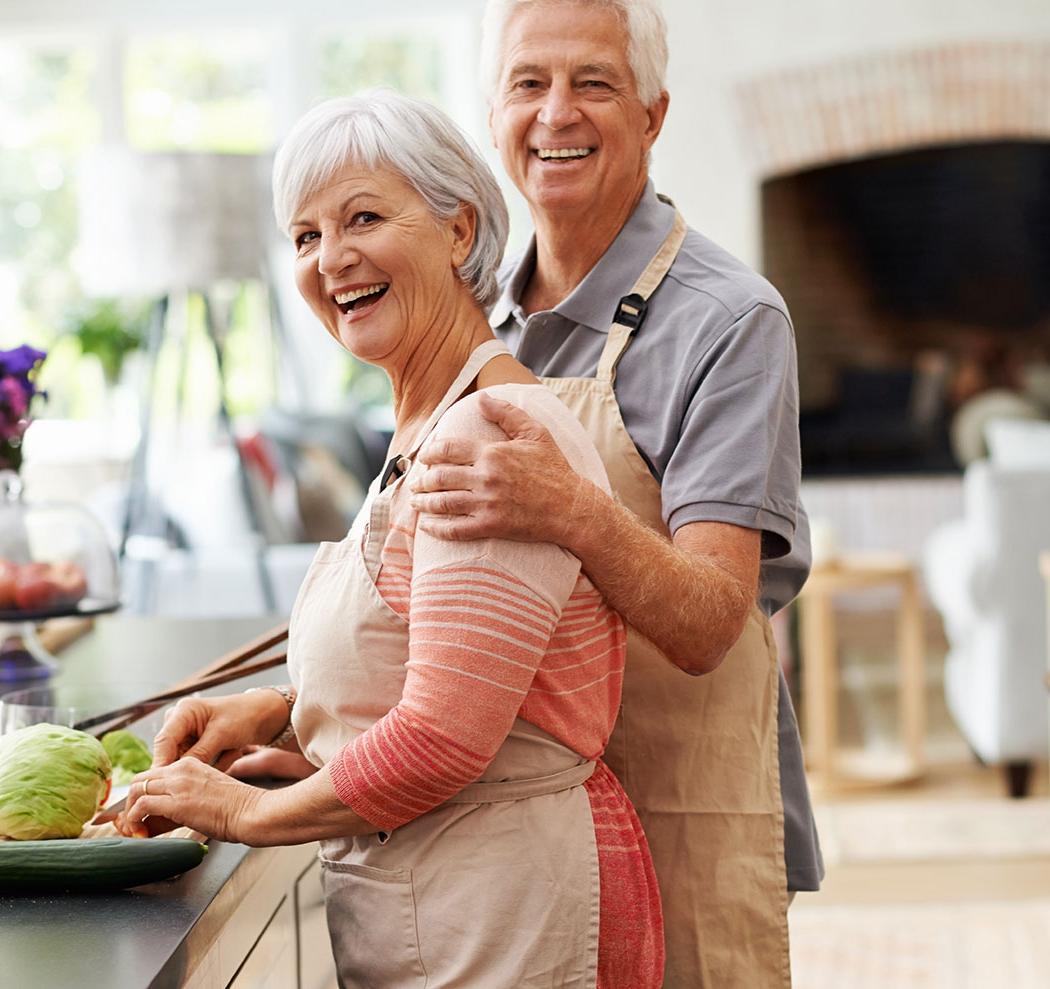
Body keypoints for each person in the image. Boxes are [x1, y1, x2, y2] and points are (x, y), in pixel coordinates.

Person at [117, 89, 664, 988]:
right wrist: (286, 710)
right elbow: (436, 655)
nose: (331, 259)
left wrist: (242, 811)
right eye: (303, 236)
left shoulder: (485, 438)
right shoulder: (422, 425)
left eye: (362, 217)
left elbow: (445, 738)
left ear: (458, 232)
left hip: (509, 919)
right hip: (446, 901)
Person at [407, 1, 823, 986]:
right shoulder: (472, 314)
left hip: (679, 809)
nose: (557, 113)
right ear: (493, 111)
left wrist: (575, 509)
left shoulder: (732, 321)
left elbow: (712, 620)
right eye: (527, 83)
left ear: (653, 114)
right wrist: (289, 709)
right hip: (507, 839)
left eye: (593, 82)